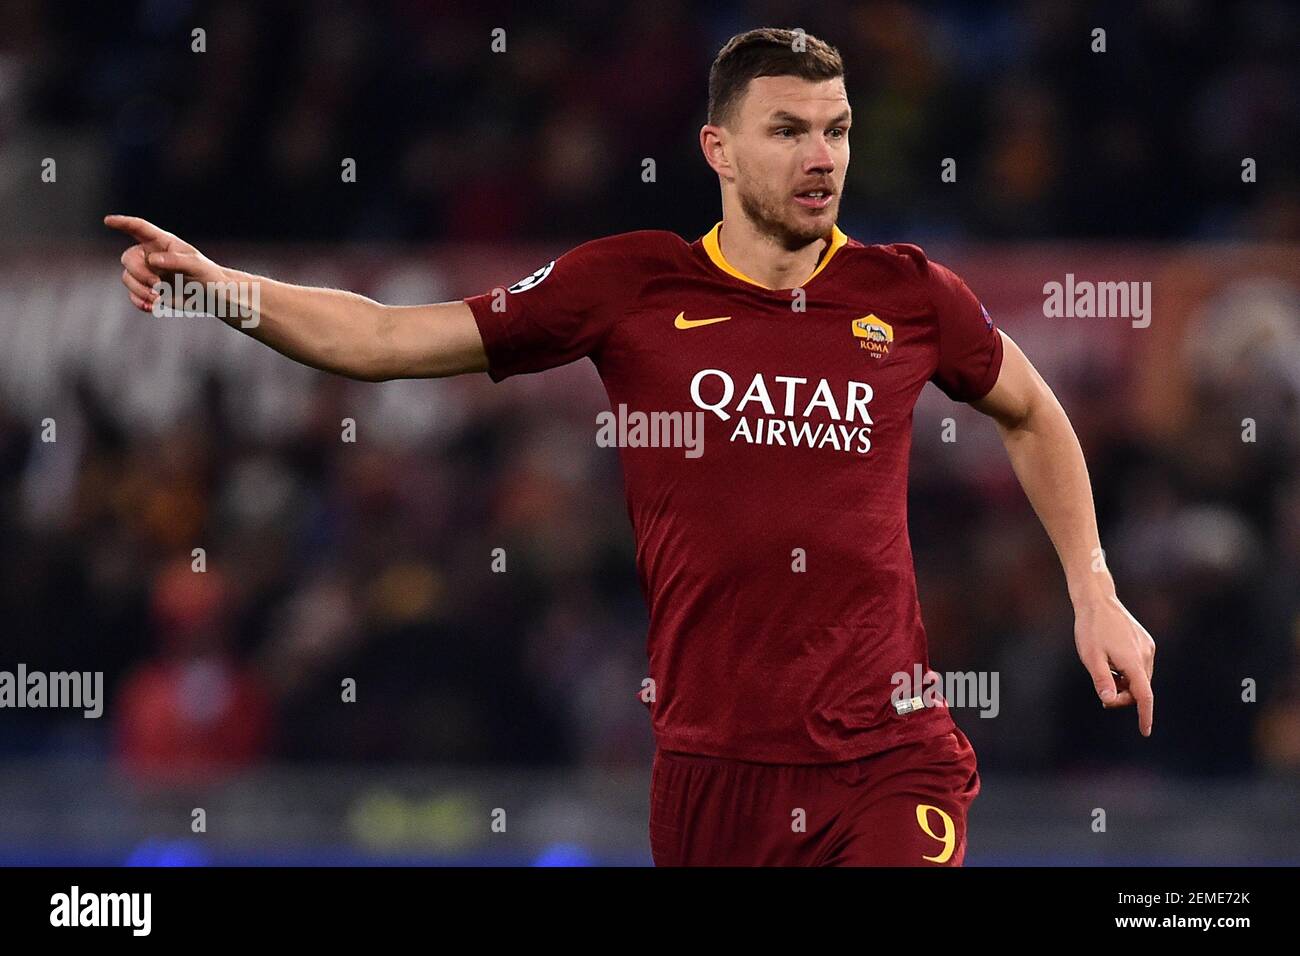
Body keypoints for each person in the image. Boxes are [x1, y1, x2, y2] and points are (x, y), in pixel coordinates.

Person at [107, 26, 1155, 866]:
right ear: (718, 149)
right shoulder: (628, 285)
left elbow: (1030, 409)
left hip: (887, 752)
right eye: (788, 130)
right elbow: (386, 337)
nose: (821, 156)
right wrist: (223, 286)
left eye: (836, 129)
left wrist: (1093, 586)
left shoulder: (910, 294)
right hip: (708, 770)